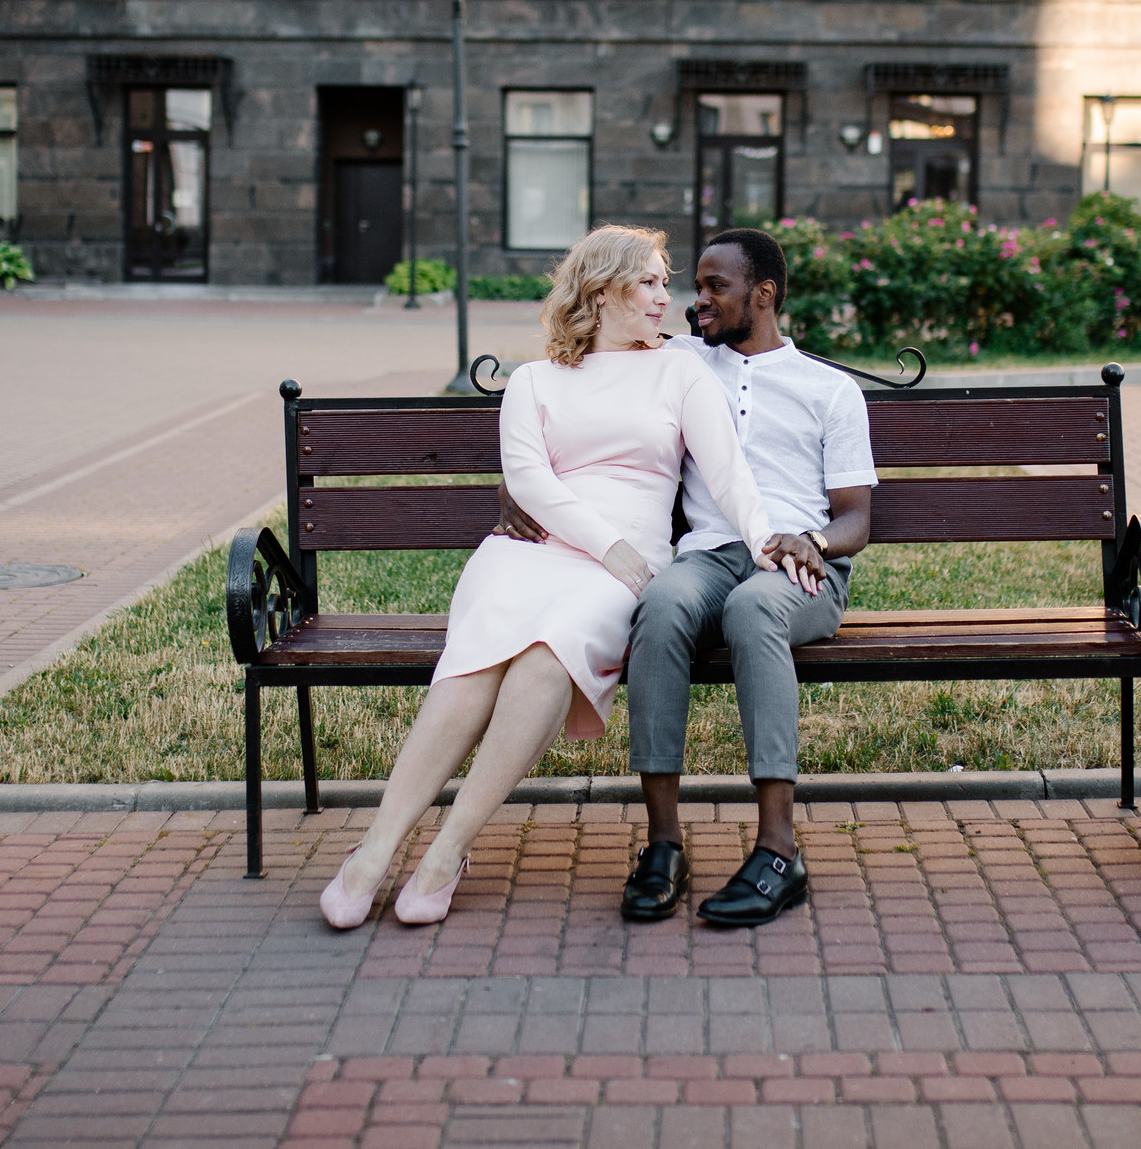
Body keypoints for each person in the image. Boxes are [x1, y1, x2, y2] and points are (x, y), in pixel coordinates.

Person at [318, 224, 804, 930]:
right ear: (603, 290)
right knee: (475, 662)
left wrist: (766, 541)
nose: (665, 296)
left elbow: (729, 473)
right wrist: (604, 544)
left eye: (666, 281)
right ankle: (376, 846)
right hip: (533, 552)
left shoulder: (681, 370)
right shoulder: (535, 380)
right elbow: (530, 481)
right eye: (648, 281)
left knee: (550, 656)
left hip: (623, 571)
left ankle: (448, 849)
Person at [495, 228, 875, 928]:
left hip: (796, 565)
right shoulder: (677, 361)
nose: (693, 301)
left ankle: (778, 848)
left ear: (762, 296)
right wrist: (521, 485)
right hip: (705, 554)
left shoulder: (831, 390)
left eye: (713, 288)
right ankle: (664, 841)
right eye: (690, 285)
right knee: (661, 605)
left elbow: (857, 518)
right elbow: (588, 383)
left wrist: (812, 539)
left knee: (755, 611)